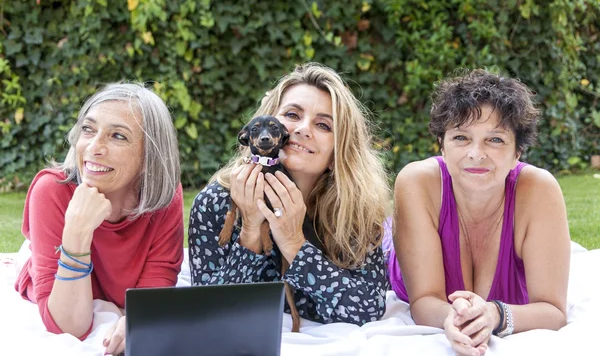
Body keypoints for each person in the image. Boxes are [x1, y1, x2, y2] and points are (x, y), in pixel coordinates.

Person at [188, 63, 391, 326]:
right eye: (292, 115)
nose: (303, 129)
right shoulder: (216, 202)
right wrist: (250, 230)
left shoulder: (353, 211)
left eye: (323, 125)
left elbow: (368, 309)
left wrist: (295, 243)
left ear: (338, 152)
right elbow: (208, 313)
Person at [386, 70, 570, 356]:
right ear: (442, 147)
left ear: (517, 152)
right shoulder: (417, 182)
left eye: (495, 140)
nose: (476, 153)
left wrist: (495, 315)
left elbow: (554, 312)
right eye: (461, 137)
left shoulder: (538, 190)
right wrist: (452, 318)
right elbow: (423, 301)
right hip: (403, 244)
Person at [14, 83, 184, 355]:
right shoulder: (52, 192)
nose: (94, 147)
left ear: (149, 156)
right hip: (58, 269)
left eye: (117, 136)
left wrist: (138, 319)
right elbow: (70, 325)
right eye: (88, 129)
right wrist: (77, 233)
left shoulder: (163, 197)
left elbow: (154, 290)